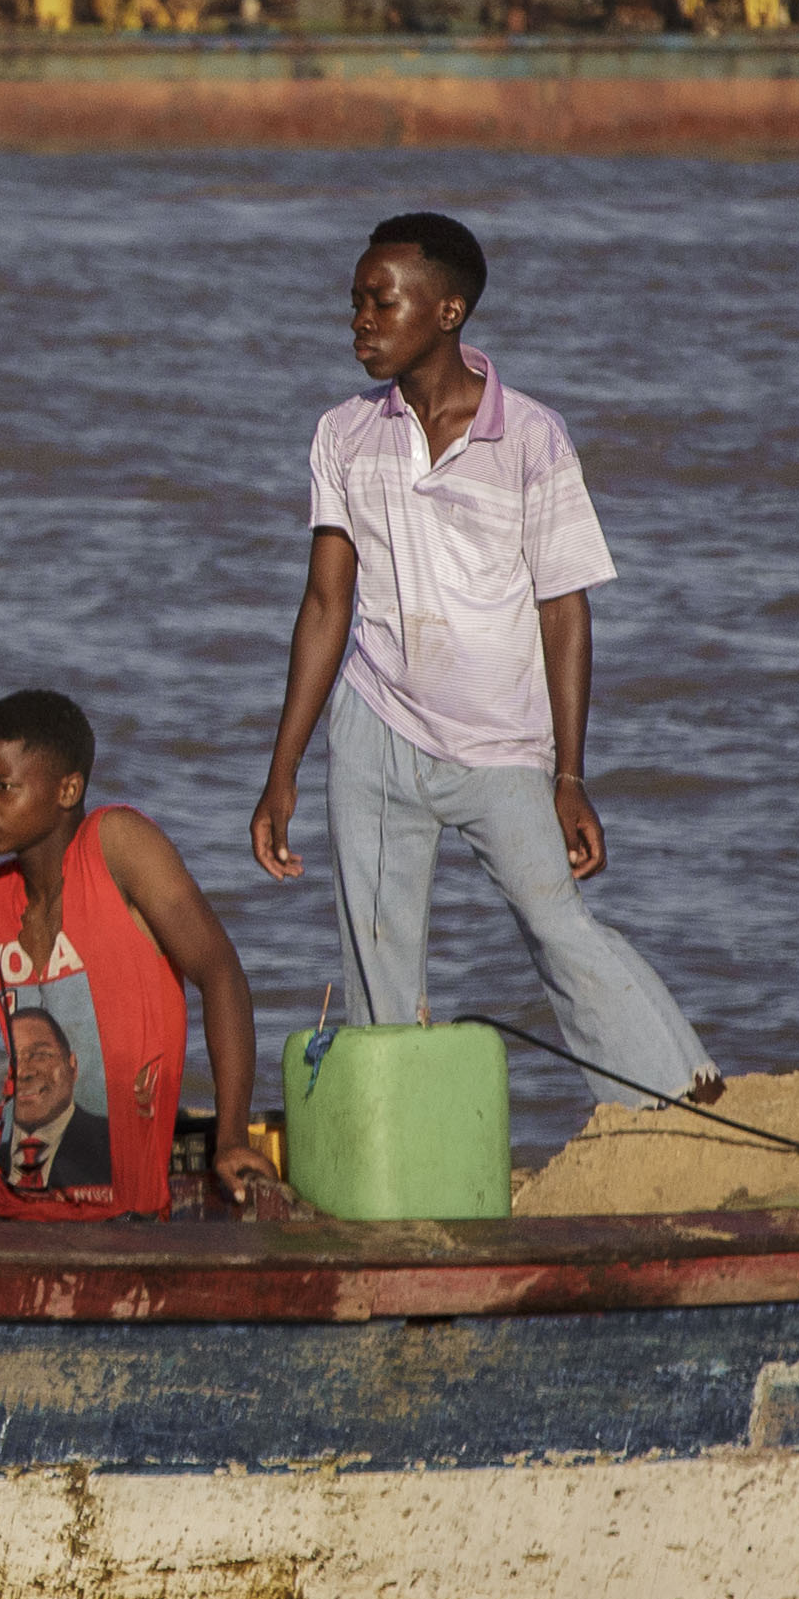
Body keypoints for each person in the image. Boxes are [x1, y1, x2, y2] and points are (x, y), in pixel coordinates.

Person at [245, 209, 721, 1109]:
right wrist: (282, 773)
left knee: (557, 926)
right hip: (375, 730)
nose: (359, 322)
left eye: (380, 302)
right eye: (353, 303)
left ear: (448, 310)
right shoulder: (342, 433)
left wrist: (569, 774)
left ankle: (678, 1096)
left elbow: (564, 608)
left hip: (503, 746)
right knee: (375, 959)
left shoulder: (531, 438)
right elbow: (324, 604)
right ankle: (401, 1147)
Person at [0, 687, 284, 1221]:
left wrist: (231, 1139)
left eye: (1, 786)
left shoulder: (117, 844)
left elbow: (221, 973)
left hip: (117, 1216)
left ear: (67, 790)